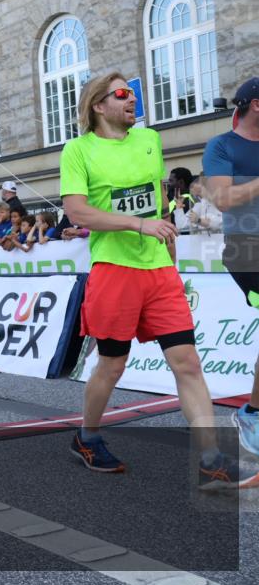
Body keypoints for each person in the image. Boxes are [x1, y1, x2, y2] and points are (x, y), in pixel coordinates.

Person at [61, 71, 247, 487]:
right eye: (124, 94)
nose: (133, 101)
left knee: (187, 362)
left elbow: (159, 204)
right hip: (114, 271)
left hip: (159, 272)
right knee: (111, 365)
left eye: (134, 94)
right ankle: (87, 436)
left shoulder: (150, 141)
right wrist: (137, 226)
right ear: (98, 105)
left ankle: (211, 457)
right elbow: (78, 212)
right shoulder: (78, 150)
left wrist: (170, 255)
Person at [202, 76, 259, 460]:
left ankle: (253, 410)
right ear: (256, 105)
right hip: (246, 251)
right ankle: (252, 414)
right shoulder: (222, 146)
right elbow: (222, 198)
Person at [167, 166, 195, 234]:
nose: (169, 184)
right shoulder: (173, 198)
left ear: (181, 182)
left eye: (171, 181)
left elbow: (181, 227)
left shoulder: (188, 202)